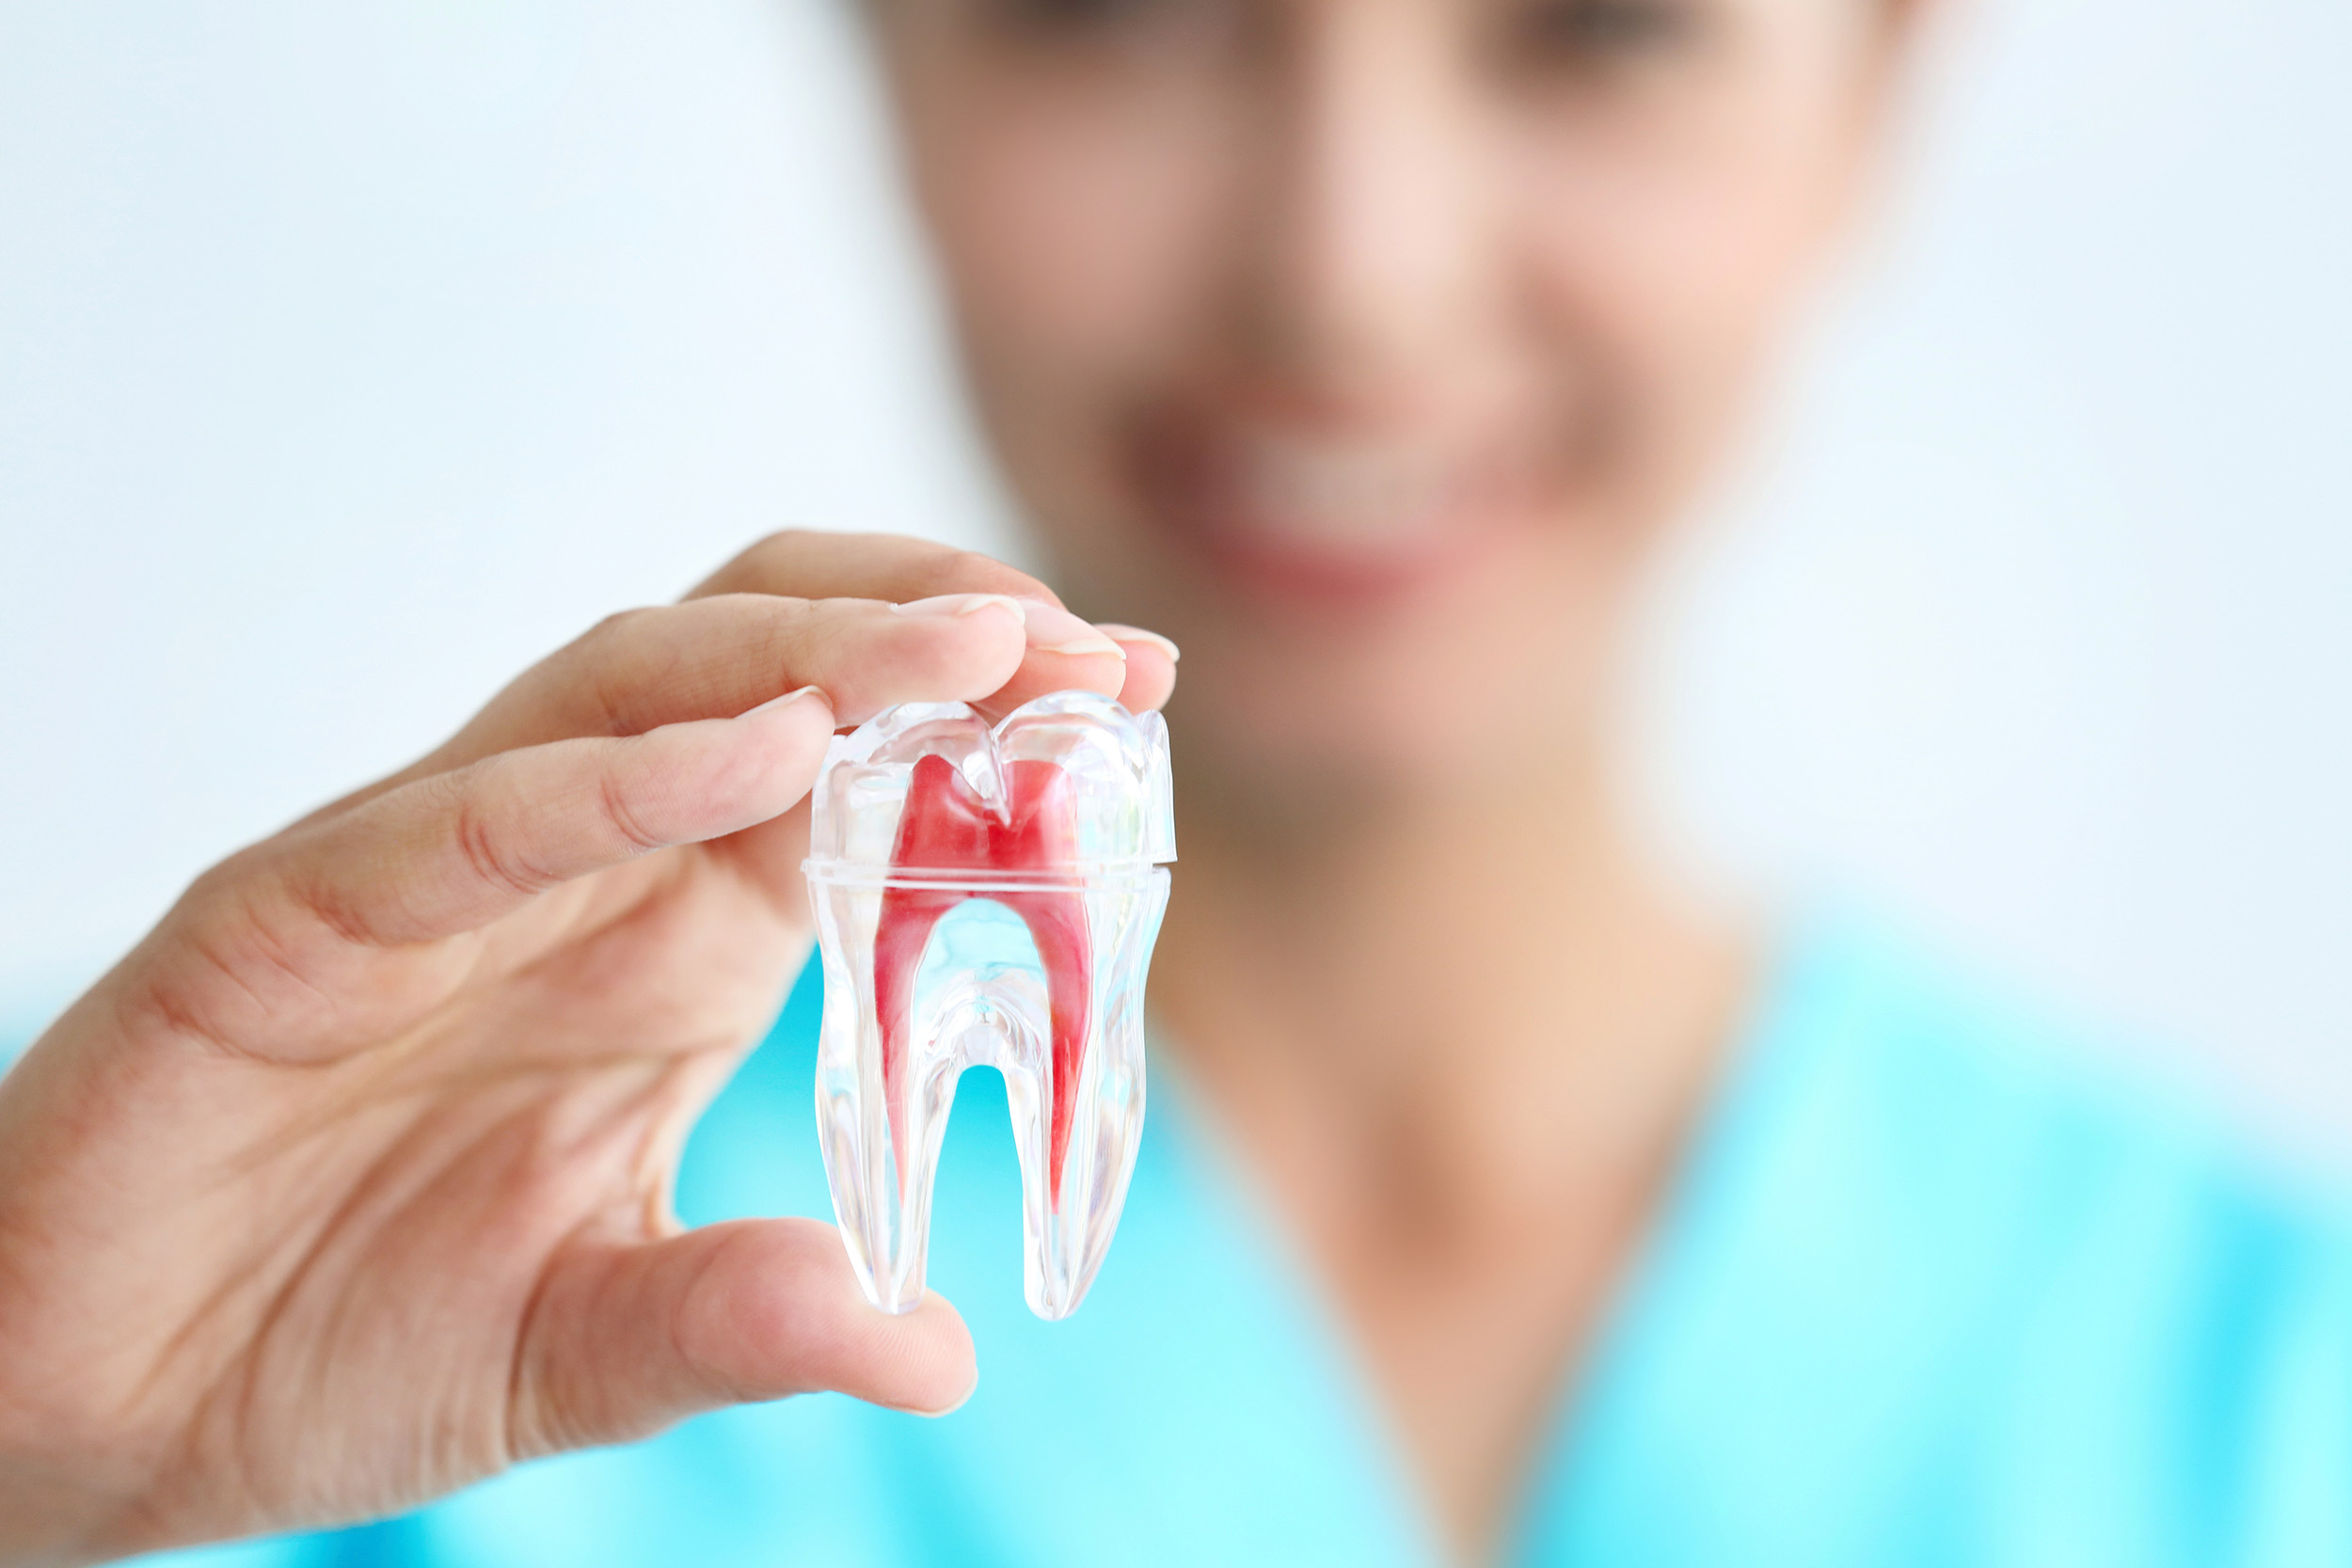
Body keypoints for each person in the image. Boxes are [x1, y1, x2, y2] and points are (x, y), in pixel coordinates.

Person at [4, 0, 2348, 1562]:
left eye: (1596, 25)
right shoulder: (207, 1275)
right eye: (1119, 1)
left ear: (1873, 87)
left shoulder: (2272, 1413)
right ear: (889, 57)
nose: (1349, 276)